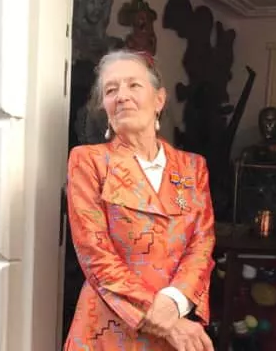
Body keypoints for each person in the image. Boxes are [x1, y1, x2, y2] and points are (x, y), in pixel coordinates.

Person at [64, 49, 216, 351]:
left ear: (159, 99)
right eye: (111, 90)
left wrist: (175, 302)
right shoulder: (89, 161)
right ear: (105, 106)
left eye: (133, 85)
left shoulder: (192, 167)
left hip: (175, 326)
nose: (122, 96)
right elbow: (95, 254)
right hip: (107, 328)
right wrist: (167, 321)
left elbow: (202, 244)